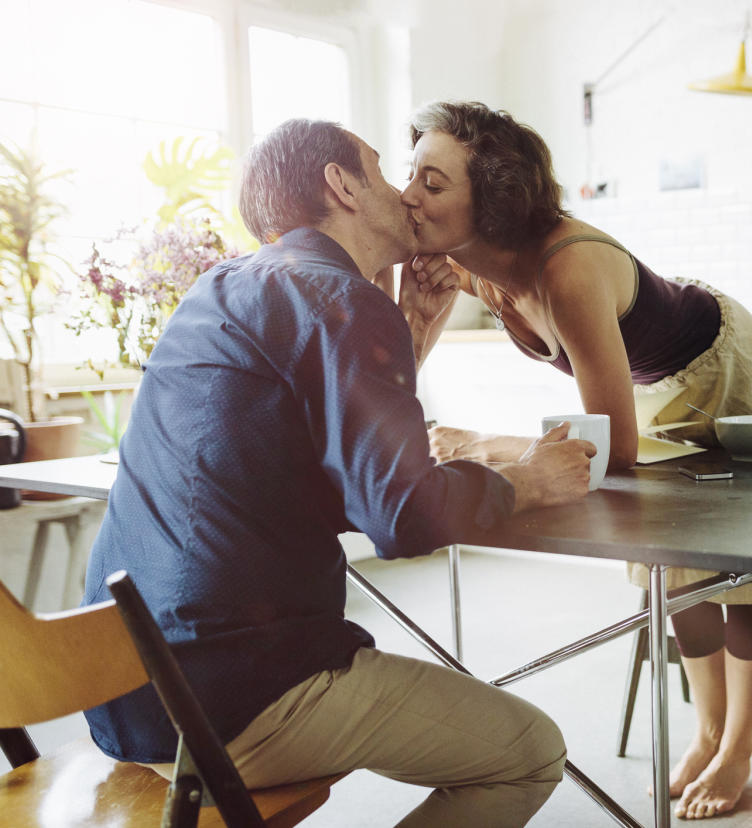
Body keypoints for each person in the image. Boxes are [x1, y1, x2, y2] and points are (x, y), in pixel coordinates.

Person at [81, 117, 597, 828]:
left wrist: (407, 333)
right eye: (386, 172)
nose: (404, 194)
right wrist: (527, 481)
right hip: (228, 701)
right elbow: (403, 515)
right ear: (342, 185)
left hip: (124, 689)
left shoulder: (219, 288)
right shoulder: (341, 298)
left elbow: (329, 464)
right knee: (531, 751)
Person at [398, 100, 752, 821]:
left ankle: (738, 748)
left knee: (740, 562)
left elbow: (615, 450)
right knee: (672, 560)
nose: (408, 194)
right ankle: (704, 733)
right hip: (651, 383)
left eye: (434, 182)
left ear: (494, 197)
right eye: (408, 174)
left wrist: (487, 445)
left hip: (719, 362)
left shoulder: (568, 270)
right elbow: (396, 360)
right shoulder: (469, 265)